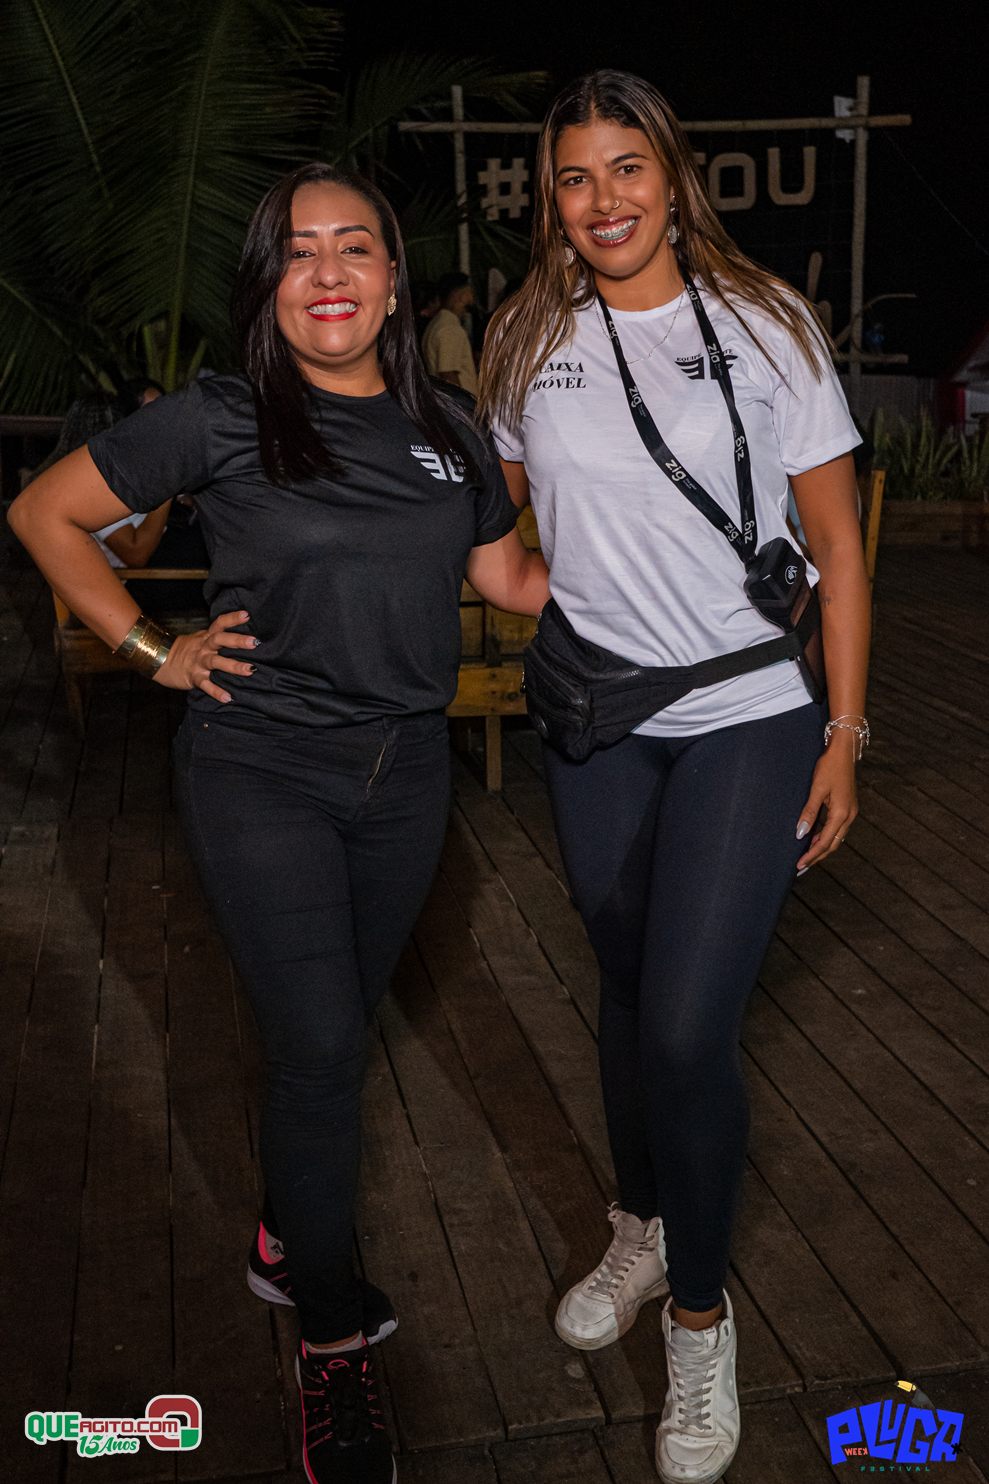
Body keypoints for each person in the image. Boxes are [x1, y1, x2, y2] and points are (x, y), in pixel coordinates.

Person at [10, 161, 549, 1484]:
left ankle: (280, 1233)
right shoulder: (222, 414)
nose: (327, 272)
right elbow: (44, 513)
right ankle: (331, 1341)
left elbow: (513, 580)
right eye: (298, 251)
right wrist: (153, 649)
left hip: (404, 782)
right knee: (317, 1050)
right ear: (269, 285)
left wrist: (689, 575)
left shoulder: (449, 428)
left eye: (353, 246)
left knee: (334, 1036)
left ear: (392, 279)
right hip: (260, 771)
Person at [479, 70, 870, 1484]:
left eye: (626, 168)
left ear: (672, 173)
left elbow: (837, 545)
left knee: (689, 1027)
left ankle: (699, 1323)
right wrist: (545, 595)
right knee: (628, 982)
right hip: (597, 720)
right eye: (574, 177)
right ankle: (639, 1225)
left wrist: (843, 733)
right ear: (550, 198)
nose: (603, 200)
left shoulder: (766, 321)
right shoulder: (526, 337)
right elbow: (498, 533)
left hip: (749, 711)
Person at [421, 270, 478, 394]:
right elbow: (448, 374)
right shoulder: (450, 328)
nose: (472, 298)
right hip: (457, 403)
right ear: (461, 295)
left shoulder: (437, 323)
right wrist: (461, 403)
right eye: (470, 292)